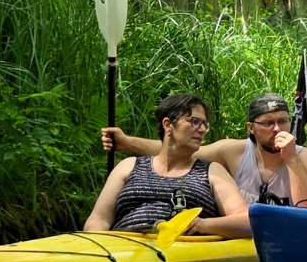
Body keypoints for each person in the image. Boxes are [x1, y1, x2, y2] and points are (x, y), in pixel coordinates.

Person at [102, 92, 307, 207]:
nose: (277, 129)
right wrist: (127, 143)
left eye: (283, 121)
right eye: (267, 123)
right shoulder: (232, 151)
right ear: (251, 128)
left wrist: (292, 158)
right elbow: (179, 149)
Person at [85, 93, 251, 237]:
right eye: (194, 122)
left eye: (204, 124)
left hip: (183, 252)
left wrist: (204, 225)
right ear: (168, 125)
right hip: (125, 251)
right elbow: (99, 219)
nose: (202, 130)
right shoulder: (128, 166)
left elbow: (245, 220)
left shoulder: (212, 171)